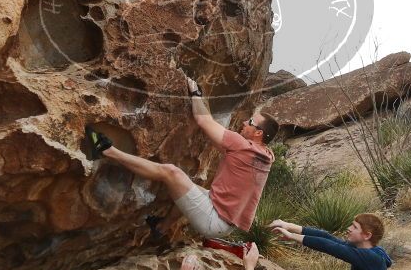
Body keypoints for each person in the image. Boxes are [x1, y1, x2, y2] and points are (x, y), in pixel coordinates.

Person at [84, 76, 278, 237]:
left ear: (258, 133)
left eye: (250, 122)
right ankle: (161, 228)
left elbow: (203, 120)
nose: (244, 122)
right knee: (188, 186)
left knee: (171, 173)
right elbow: (222, 141)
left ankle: (106, 150)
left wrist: (195, 93)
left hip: (214, 220)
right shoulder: (265, 156)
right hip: (225, 221)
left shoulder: (242, 146)